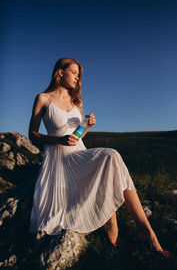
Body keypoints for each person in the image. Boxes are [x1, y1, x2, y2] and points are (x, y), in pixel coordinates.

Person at [28, 57, 169, 257]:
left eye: (79, 75)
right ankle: (113, 223)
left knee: (112, 158)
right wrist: (58, 140)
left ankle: (147, 231)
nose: (78, 78)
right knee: (111, 157)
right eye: (75, 73)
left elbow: (77, 137)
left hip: (80, 154)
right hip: (60, 161)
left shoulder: (76, 100)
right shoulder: (43, 99)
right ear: (60, 72)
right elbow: (32, 134)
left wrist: (87, 127)